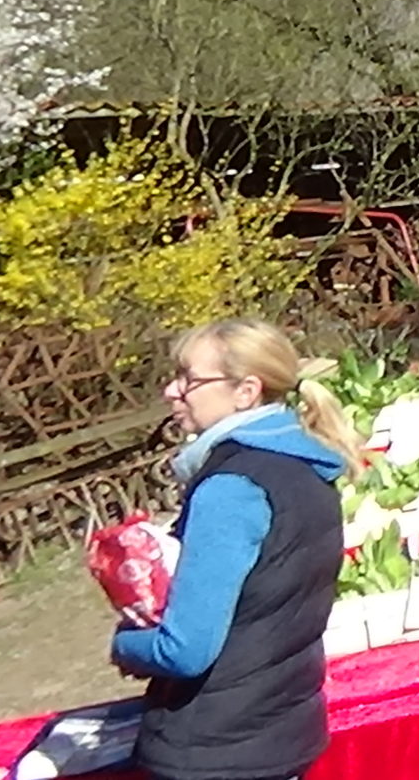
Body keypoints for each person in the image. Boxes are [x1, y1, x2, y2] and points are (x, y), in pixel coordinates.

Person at [115, 320, 358, 780]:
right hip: (283, 729)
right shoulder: (309, 465)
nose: (172, 390)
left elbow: (185, 649)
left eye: (189, 377)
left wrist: (125, 645)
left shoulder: (231, 487)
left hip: (216, 749)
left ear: (246, 391)